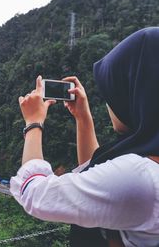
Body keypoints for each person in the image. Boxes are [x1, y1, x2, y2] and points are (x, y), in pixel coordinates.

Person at [10, 27, 159, 247]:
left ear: (135, 96)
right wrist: (83, 118)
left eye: (111, 94)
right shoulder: (148, 167)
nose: (109, 105)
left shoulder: (142, 180)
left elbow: (35, 194)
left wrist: (33, 123)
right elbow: (102, 183)